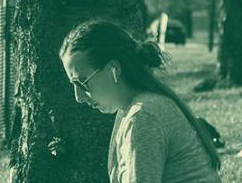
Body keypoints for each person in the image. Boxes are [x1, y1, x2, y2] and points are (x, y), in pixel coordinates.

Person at [59, 20, 221, 183]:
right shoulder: (134, 108)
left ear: (113, 69)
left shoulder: (143, 116)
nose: (78, 97)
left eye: (82, 82)